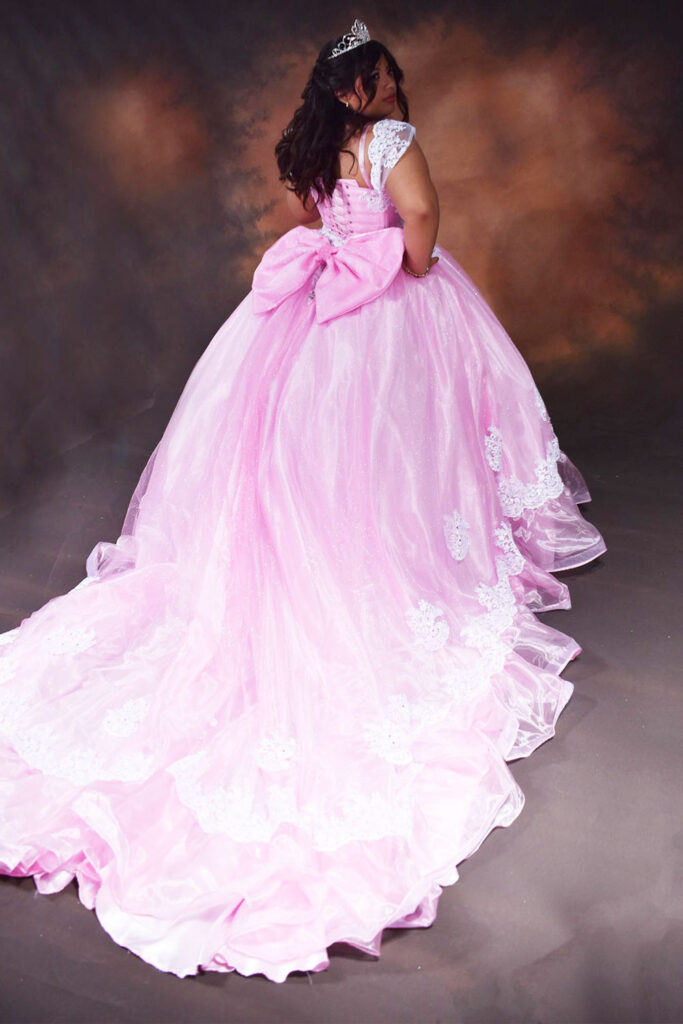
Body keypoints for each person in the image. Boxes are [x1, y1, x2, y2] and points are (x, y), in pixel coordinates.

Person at [0, 20, 606, 983]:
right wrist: (413, 267)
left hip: (311, 310)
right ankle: (375, 556)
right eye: (378, 76)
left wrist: (353, 247)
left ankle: (311, 549)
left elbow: (329, 219)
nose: (387, 86)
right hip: (377, 307)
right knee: (391, 447)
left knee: (300, 449)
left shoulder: (315, 144)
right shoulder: (392, 139)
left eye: (387, 75)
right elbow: (419, 224)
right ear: (361, 86)